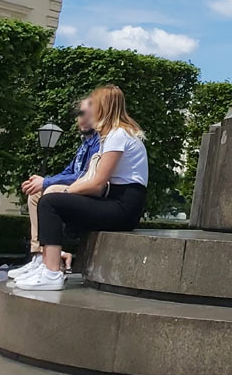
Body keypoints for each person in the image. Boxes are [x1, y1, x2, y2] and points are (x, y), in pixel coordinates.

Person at [12, 85, 148, 291]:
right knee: (51, 199)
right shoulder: (117, 134)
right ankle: (47, 267)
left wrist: (64, 193)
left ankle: (50, 272)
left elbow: (97, 182)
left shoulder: (117, 135)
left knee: (50, 202)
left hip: (122, 208)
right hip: (120, 203)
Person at [10, 97, 99, 281]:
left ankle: (51, 265)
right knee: (36, 194)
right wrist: (44, 181)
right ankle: (38, 256)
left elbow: (84, 176)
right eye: (80, 114)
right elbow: (69, 171)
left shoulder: (99, 143)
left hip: (89, 192)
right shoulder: (85, 144)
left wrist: (46, 182)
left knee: (49, 194)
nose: (82, 118)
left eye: (87, 114)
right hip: (77, 188)